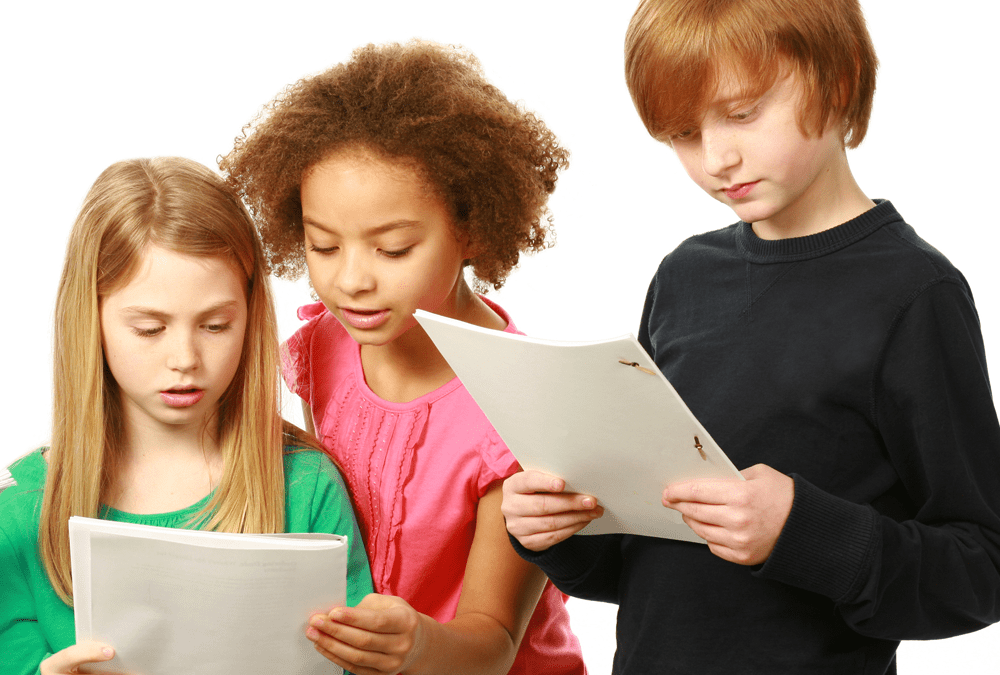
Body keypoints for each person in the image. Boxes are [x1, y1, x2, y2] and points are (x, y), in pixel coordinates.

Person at [501, 1, 1000, 673]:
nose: (717, 157)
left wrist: (802, 531)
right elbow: (645, 569)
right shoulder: (684, 277)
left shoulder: (915, 294)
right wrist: (559, 532)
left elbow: (983, 566)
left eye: (741, 114)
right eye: (682, 132)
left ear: (840, 79)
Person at [221, 41, 584, 675]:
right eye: (324, 246)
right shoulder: (326, 350)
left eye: (392, 249)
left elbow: (492, 643)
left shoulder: (525, 408)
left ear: (470, 228)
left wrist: (414, 643)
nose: (352, 282)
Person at [0, 157, 373, 675]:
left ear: (249, 314)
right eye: (149, 329)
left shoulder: (305, 487)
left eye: (216, 325)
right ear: (91, 319)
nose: (185, 359)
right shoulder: (20, 510)